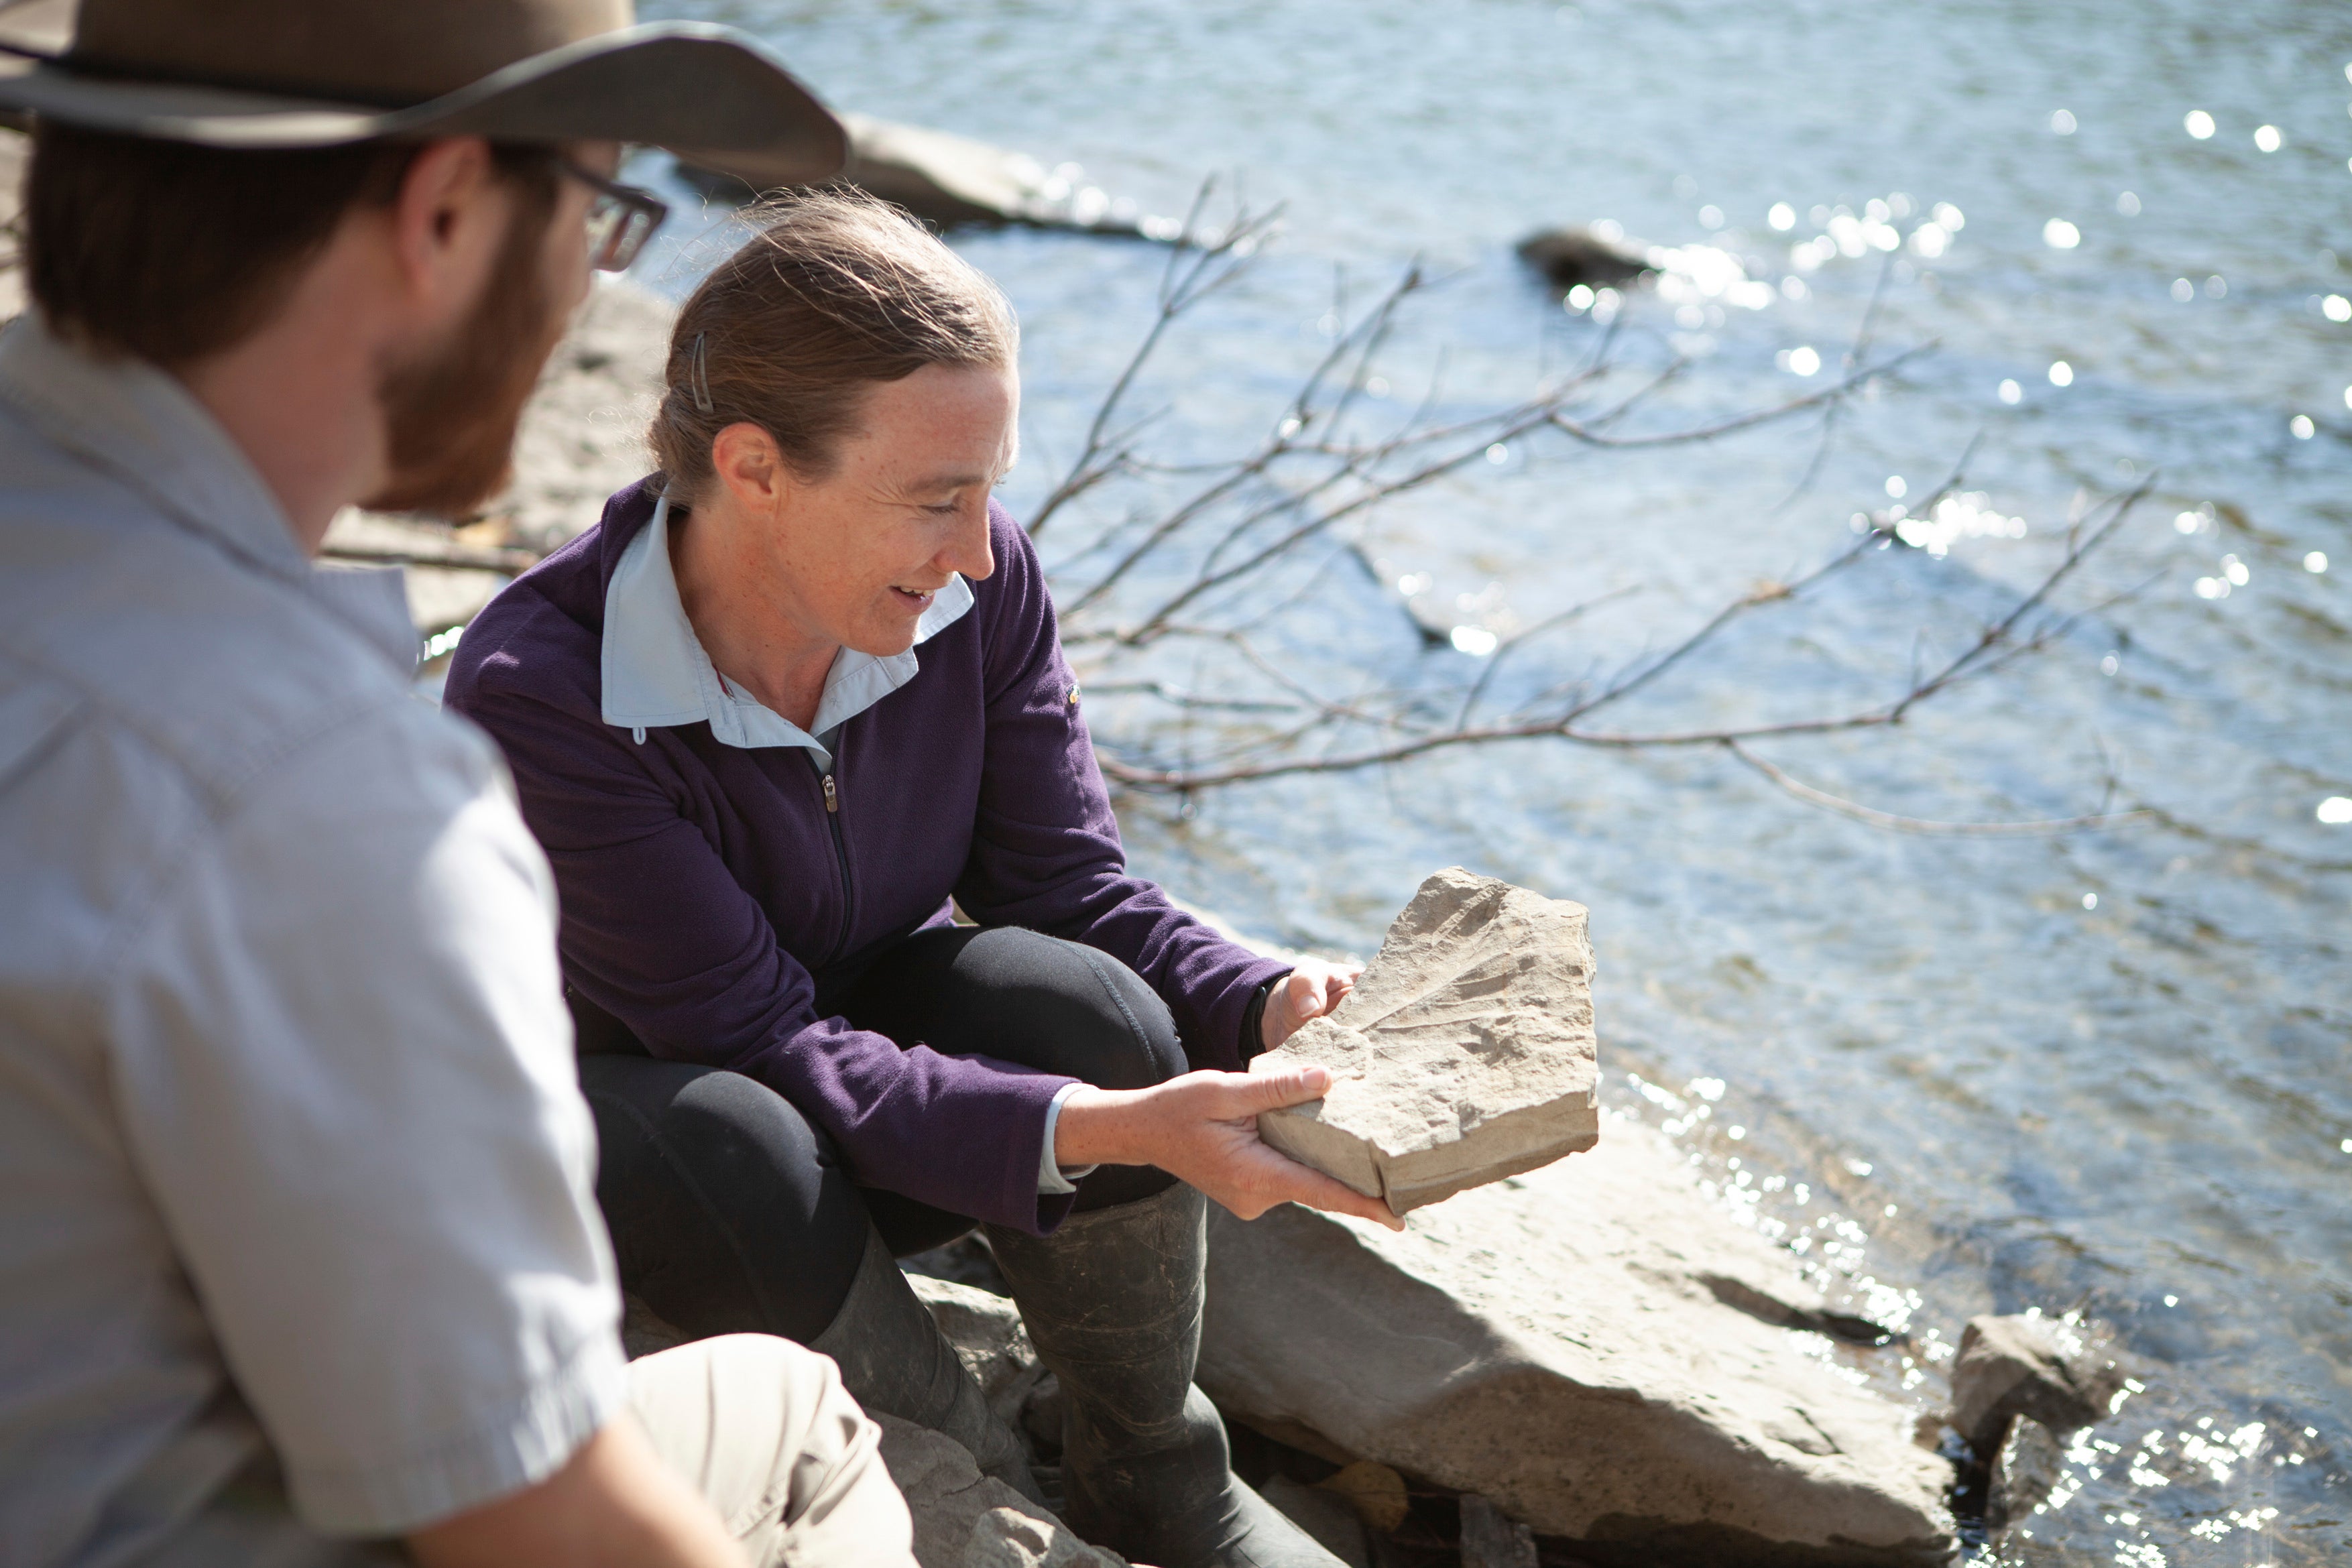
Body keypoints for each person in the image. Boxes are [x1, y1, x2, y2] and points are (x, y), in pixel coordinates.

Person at [0, 4, 916, 1567]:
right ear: (442, 211)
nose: (582, 288)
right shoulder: (322, 797)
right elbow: (535, 1527)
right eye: (597, 216)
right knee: (796, 1423)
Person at [444, 190, 1406, 1568]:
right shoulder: (543, 693)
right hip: (633, 1147)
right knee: (735, 1139)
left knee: (1088, 1006)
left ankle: (1153, 1468)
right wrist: (1110, 1132)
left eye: (989, 489)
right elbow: (754, 1046)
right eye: (934, 499)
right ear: (756, 467)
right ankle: (984, 1478)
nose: (976, 547)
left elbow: (1072, 887)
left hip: (846, 1098)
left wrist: (1266, 1007)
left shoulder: (970, 583)